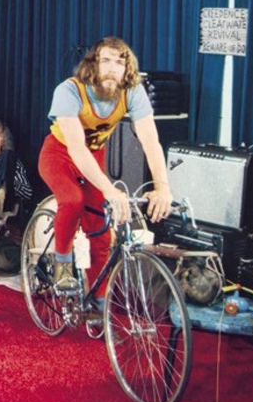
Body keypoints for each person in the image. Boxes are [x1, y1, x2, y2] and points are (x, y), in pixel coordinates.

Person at [38, 36, 173, 294]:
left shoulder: (132, 91)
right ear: (93, 64)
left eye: (120, 62)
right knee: (73, 199)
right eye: (106, 61)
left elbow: (150, 140)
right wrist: (110, 190)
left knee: (100, 228)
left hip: (94, 156)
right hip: (59, 154)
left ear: (127, 69)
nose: (112, 68)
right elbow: (77, 148)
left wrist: (162, 187)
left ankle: (99, 298)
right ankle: (62, 265)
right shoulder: (69, 90)